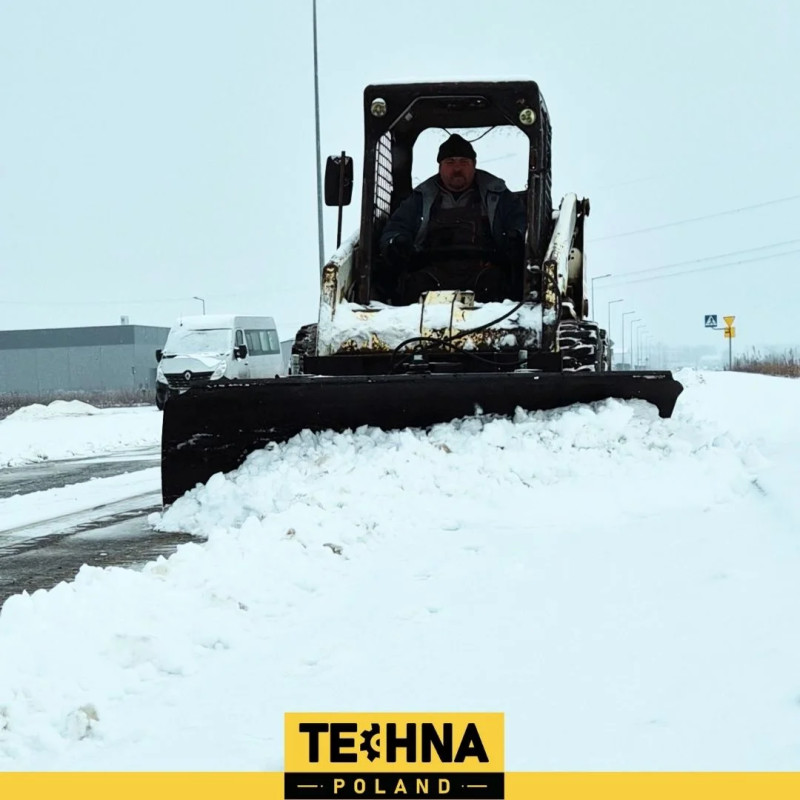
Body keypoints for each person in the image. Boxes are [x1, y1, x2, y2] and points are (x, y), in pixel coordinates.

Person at [379, 133, 526, 303]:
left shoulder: (498, 196)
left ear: (474, 165)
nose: (457, 169)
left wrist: (516, 236)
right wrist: (397, 241)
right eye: (450, 162)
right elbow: (396, 227)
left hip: (483, 270)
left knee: (497, 285)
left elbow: (520, 221)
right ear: (440, 167)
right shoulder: (420, 198)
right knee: (413, 288)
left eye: (464, 162)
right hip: (432, 272)